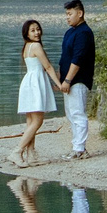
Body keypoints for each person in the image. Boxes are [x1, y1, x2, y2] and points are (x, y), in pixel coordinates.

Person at [11, 18, 64, 166]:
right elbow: (47, 67)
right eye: (33, 30)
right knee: (38, 121)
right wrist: (59, 84)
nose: (37, 32)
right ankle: (17, 151)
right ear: (27, 33)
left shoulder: (27, 46)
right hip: (35, 84)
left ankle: (31, 154)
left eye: (38, 29)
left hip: (29, 83)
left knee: (31, 121)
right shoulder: (35, 46)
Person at [57, 0, 97, 159]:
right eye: (66, 14)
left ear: (79, 13)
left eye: (70, 13)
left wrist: (68, 80)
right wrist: (61, 80)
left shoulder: (84, 32)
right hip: (68, 79)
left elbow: (78, 58)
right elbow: (65, 58)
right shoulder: (70, 32)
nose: (67, 17)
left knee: (77, 113)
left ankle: (80, 149)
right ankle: (77, 146)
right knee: (70, 114)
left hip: (78, 79)